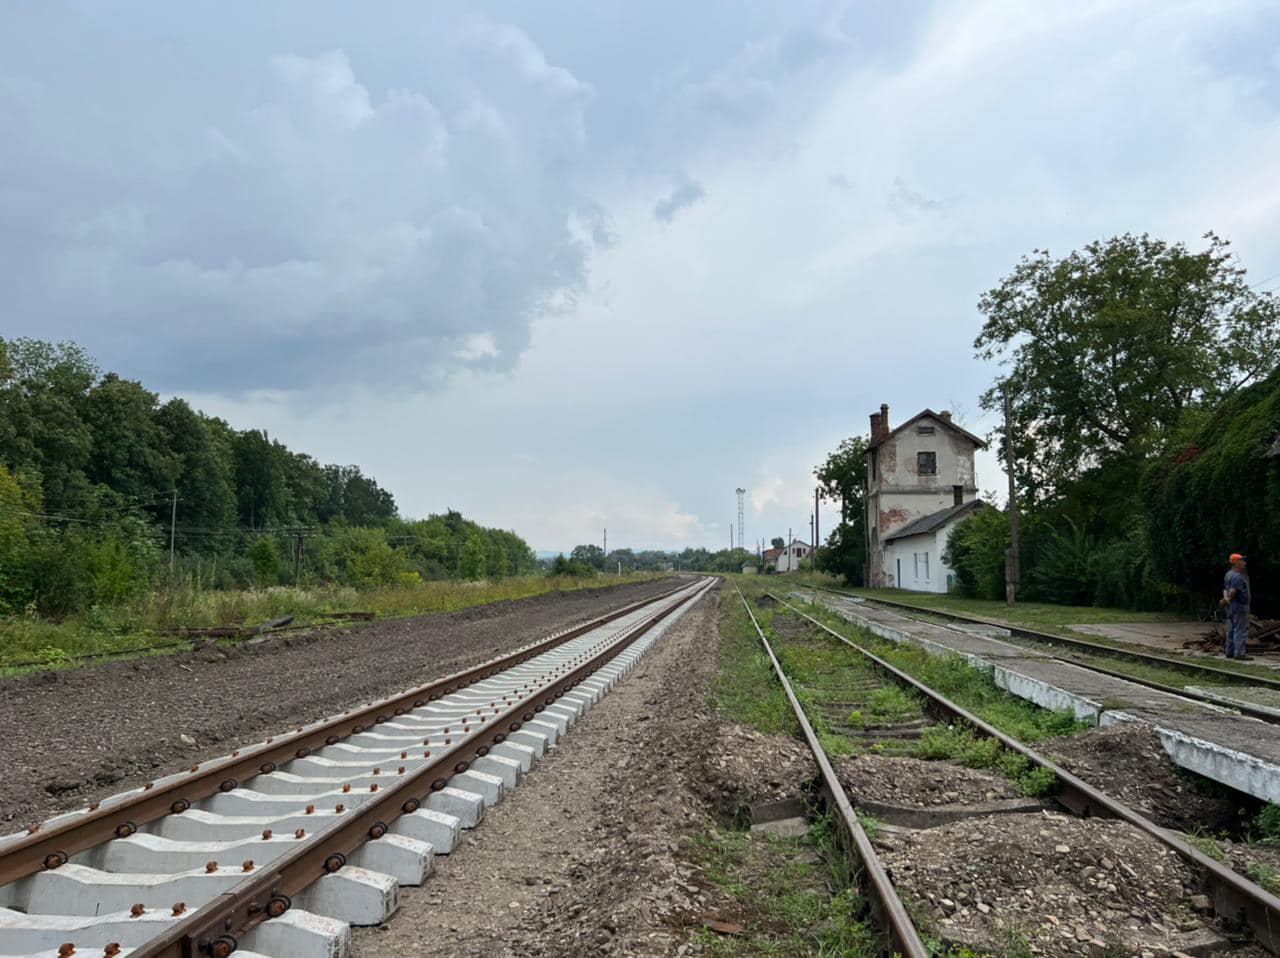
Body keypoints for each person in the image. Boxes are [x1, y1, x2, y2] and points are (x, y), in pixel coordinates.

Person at [1221, 554, 1252, 660]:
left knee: (1231, 629)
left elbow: (1225, 589)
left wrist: (1226, 600)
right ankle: (1239, 653)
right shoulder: (1237, 576)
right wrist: (1228, 599)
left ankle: (1229, 651)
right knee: (1240, 630)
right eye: (1242, 561)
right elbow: (1233, 591)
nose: (1244, 563)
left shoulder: (1228, 574)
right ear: (1236, 563)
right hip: (1240, 606)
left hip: (1231, 607)